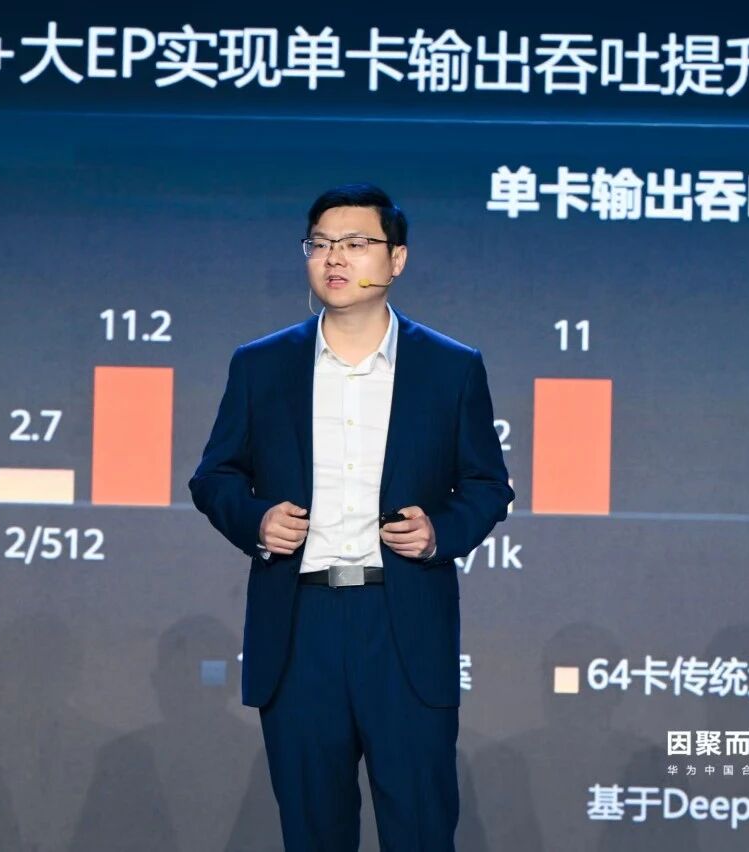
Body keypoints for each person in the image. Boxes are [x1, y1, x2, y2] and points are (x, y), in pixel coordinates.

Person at [189, 183, 513, 851]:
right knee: (313, 832)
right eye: (320, 244)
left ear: (397, 259)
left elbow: (488, 485)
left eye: (356, 243)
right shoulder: (261, 365)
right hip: (300, 626)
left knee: (420, 829)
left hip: (402, 624)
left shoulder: (450, 368)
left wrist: (440, 532)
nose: (334, 257)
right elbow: (214, 476)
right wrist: (255, 521)